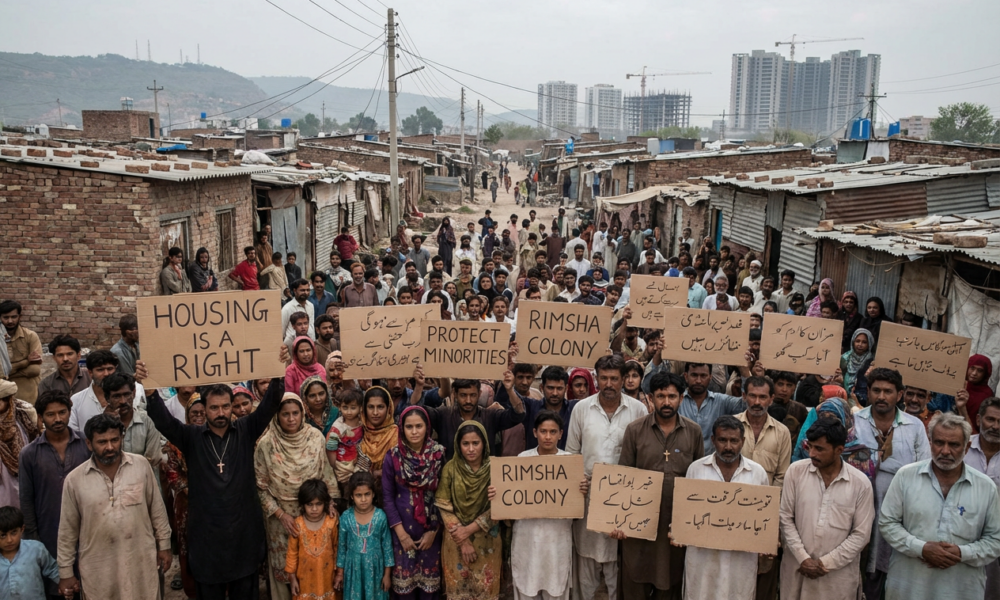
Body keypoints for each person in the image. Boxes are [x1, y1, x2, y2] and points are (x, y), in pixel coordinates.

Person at [140, 356, 287, 599]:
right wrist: (151, 391)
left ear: (232, 406)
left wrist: (278, 371)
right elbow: (164, 422)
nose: (221, 413)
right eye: (214, 408)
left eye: (226, 407)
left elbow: (270, 403)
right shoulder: (191, 436)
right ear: (204, 409)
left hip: (243, 532)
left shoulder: (246, 429)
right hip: (207, 535)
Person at [880, 412, 1000, 600]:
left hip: (961, 589)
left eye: (954, 445)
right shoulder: (906, 476)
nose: (945, 451)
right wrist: (921, 548)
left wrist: (962, 553)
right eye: (939, 443)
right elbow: (887, 523)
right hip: (908, 587)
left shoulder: (986, 488)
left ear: (967, 447)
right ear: (930, 442)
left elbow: (995, 540)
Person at [56, 413, 172, 599]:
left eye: (114, 440)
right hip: (99, 567)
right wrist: (65, 572)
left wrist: (164, 545)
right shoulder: (75, 480)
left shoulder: (141, 466)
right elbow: (67, 530)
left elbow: (157, 510)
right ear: (89, 444)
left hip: (140, 560)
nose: (110, 447)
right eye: (102, 442)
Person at [614, 371, 704, 598]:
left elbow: (698, 480)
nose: (666, 402)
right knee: (635, 579)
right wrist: (620, 521)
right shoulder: (635, 430)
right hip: (639, 525)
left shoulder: (693, 431)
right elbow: (624, 477)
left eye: (672, 396)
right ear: (650, 398)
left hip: (675, 527)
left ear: (681, 399)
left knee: (671, 583)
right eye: (661, 396)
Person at [566, 355, 648, 600]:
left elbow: (642, 453)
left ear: (624, 379)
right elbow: (572, 453)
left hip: (624, 500)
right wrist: (578, 481)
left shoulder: (638, 409)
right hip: (589, 495)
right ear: (596, 379)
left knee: (618, 564)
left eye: (614, 378)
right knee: (586, 564)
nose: (609, 384)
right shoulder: (581, 408)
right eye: (604, 378)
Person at [490, 411, 586, 600]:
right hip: (527, 537)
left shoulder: (570, 463)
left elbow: (575, 506)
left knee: (556, 587)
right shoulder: (522, 460)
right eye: (543, 431)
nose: (548, 437)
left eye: (552, 431)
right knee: (527, 586)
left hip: (557, 538)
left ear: (561, 433)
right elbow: (510, 498)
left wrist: (581, 489)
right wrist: (497, 494)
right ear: (535, 433)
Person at [854, 367, 931, 597]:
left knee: (893, 565)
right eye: (876, 390)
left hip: (900, 509)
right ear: (867, 392)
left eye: (888, 391)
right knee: (860, 562)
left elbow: (924, 467)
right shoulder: (855, 420)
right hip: (860, 506)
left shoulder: (914, 426)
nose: (881, 396)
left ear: (899, 395)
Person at [255, 392, 340, 600]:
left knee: (315, 565)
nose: (291, 419)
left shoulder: (315, 437)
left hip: (315, 514)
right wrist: (280, 514)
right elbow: (260, 487)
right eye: (285, 414)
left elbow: (327, 475)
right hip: (281, 520)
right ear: (277, 415)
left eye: (295, 413)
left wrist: (330, 503)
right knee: (284, 569)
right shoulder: (266, 444)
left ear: (303, 413)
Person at [779, 418, 875, 600]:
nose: (812, 453)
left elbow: (861, 535)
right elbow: (785, 518)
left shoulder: (860, 484)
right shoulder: (796, 472)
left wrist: (824, 564)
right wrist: (804, 559)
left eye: (820, 449)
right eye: (810, 446)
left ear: (839, 450)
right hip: (797, 569)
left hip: (837, 578)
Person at [680, 415, 770, 600]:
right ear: (713, 440)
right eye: (722, 440)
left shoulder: (757, 473)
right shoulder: (696, 470)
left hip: (741, 559)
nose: (728, 447)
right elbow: (685, 514)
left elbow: (763, 518)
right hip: (702, 557)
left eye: (734, 441)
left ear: (742, 441)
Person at [17, 389, 89, 587]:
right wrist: (33, 538)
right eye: (50, 414)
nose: (58, 418)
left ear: (69, 412)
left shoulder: (86, 443)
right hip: (49, 532)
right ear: (41, 417)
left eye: (62, 412)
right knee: (55, 585)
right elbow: (26, 498)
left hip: (88, 528)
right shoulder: (29, 453)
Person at [382, 406, 445, 599]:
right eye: (409, 427)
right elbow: (387, 497)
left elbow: (444, 497)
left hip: (431, 534)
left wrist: (434, 532)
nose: (415, 431)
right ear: (402, 429)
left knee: (429, 591)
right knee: (405, 591)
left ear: (428, 427)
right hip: (402, 534)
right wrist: (401, 534)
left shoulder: (439, 454)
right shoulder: (392, 456)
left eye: (419, 426)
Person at [434, 421, 499, 600]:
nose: (471, 449)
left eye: (475, 443)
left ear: (484, 443)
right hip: (456, 541)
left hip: (487, 542)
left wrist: (469, 530)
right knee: (458, 592)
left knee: (485, 591)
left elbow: (502, 507)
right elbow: (443, 505)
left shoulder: (497, 469)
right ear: (458, 445)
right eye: (465, 444)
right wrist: (463, 541)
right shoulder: (450, 469)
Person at [414, 374, 525, 460]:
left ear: (479, 393)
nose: (468, 400)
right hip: (451, 479)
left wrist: (510, 390)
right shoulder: (444, 415)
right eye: (463, 395)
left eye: (472, 395)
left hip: (484, 481)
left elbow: (518, 415)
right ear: (455, 394)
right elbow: (416, 412)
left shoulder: (490, 416)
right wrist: (419, 386)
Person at [161, 391, 206, 597]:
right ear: (187, 414)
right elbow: (171, 470)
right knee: (188, 544)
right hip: (186, 503)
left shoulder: (216, 437)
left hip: (212, 501)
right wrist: (188, 487)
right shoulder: (178, 439)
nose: (198, 416)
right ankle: (192, 588)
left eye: (203, 412)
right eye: (194, 412)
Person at [336, 471, 394, 599]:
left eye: (367, 494)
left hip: (376, 572)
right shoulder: (346, 517)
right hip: (353, 570)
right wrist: (340, 574)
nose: (363, 499)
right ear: (351, 496)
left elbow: (387, 548)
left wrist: (387, 575)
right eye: (358, 495)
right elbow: (341, 548)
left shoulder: (380, 517)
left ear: (373, 494)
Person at [965, 396, 1000, 595]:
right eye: (990, 420)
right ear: (978, 420)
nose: (995, 426)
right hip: (960, 531)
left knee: (991, 590)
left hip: (996, 536)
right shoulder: (961, 447)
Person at [285, 479, 340, 600]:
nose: (314, 508)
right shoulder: (297, 524)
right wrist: (292, 578)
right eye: (310, 504)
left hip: (327, 579)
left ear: (325, 503)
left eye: (318, 504)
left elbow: (337, 548)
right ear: (303, 504)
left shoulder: (331, 522)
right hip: (304, 582)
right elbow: (292, 553)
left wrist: (339, 573)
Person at [0, 506, 60, 599]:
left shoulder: (36, 549)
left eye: (13, 533)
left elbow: (53, 569)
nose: (9, 540)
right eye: (3, 535)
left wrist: (67, 583)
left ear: (22, 529)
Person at [102, 373, 161, 468]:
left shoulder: (147, 421)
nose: (123, 401)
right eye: (116, 396)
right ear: (107, 398)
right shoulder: (100, 425)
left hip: (143, 479)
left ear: (134, 393)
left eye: (127, 394)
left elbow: (153, 458)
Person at [1, 300, 42, 403]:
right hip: (3, 402)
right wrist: (26, 361)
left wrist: (7, 372)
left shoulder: (30, 336)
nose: (10, 321)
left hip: (29, 400)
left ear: (20, 317)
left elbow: (35, 370)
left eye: (14, 317)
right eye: (6, 317)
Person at [327, 388, 365, 485]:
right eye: (345, 407)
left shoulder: (363, 423)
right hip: (343, 466)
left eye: (353, 408)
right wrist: (335, 466)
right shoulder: (337, 428)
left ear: (360, 407)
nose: (349, 412)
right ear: (339, 407)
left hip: (360, 462)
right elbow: (331, 449)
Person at [963, 354, 996, 430]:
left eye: (980, 370)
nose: (974, 373)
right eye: (972, 368)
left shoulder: (986, 394)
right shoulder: (960, 385)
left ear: (985, 374)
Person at [840, 328, 874, 397]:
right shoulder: (845, 358)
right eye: (857, 341)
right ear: (853, 341)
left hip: (863, 397)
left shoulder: (872, 361)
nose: (860, 344)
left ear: (869, 344)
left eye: (864, 342)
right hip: (844, 395)